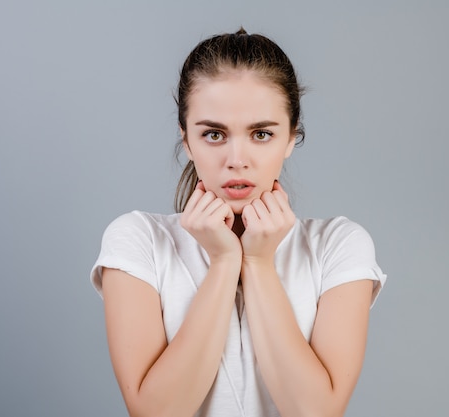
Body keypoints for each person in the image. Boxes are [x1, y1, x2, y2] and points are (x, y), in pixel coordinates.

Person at [90, 28, 386, 417]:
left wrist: (259, 264)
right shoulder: (138, 240)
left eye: (261, 133)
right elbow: (155, 413)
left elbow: (315, 412)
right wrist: (225, 262)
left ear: (290, 138)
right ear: (186, 140)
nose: (237, 159)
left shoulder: (338, 245)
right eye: (214, 134)